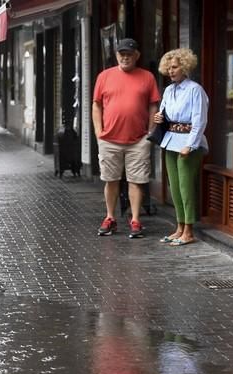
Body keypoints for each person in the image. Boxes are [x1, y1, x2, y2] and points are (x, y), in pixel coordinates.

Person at [92, 38, 160, 238]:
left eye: (129, 54)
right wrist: (98, 132)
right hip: (109, 139)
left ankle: (136, 220)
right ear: (116, 55)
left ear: (136, 56)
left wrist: (150, 132)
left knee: (136, 181)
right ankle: (110, 217)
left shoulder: (147, 77)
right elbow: (96, 105)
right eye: (122, 54)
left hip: (139, 140)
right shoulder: (104, 76)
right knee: (110, 180)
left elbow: (153, 105)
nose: (125, 57)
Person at [153, 48, 209, 246]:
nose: (171, 70)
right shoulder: (169, 90)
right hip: (170, 140)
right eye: (168, 67)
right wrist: (159, 117)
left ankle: (189, 230)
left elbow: (199, 120)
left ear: (185, 67)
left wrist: (191, 145)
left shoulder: (195, 89)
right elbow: (165, 114)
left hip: (188, 142)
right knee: (175, 187)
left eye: (174, 67)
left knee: (186, 187)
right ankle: (179, 227)